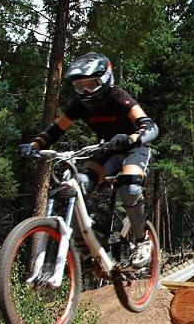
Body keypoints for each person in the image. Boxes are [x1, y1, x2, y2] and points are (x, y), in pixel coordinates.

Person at [19, 52, 159, 268]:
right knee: (80, 183)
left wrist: (132, 137)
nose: (85, 91)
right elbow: (55, 130)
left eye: (91, 84)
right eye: (80, 86)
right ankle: (89, 238)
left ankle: (142, 241)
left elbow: (150, 126)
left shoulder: (118, 97)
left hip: (134, 148)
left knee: (129, 187)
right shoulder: (79, 105)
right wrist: (34, 145)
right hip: (107, 149)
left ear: (105, 79)